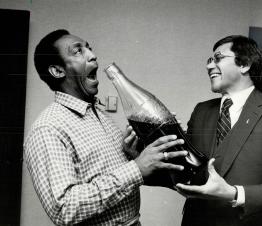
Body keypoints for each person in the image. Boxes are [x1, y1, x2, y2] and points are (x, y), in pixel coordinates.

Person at [24, 29, 188, 226]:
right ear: (57, 71)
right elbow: (64, 209)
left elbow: (117, 176)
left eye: (89, 48)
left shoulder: (100, 114)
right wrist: (135, 169)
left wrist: (134, 156)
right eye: (78, 51)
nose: (93, 55)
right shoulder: (48, 128)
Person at [175, 35, 262, 226]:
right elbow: (185, 170)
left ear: (244, 64)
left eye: (218, 58)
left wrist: (234, 194)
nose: (209, 66)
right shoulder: (201, 110)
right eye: (209, 60)